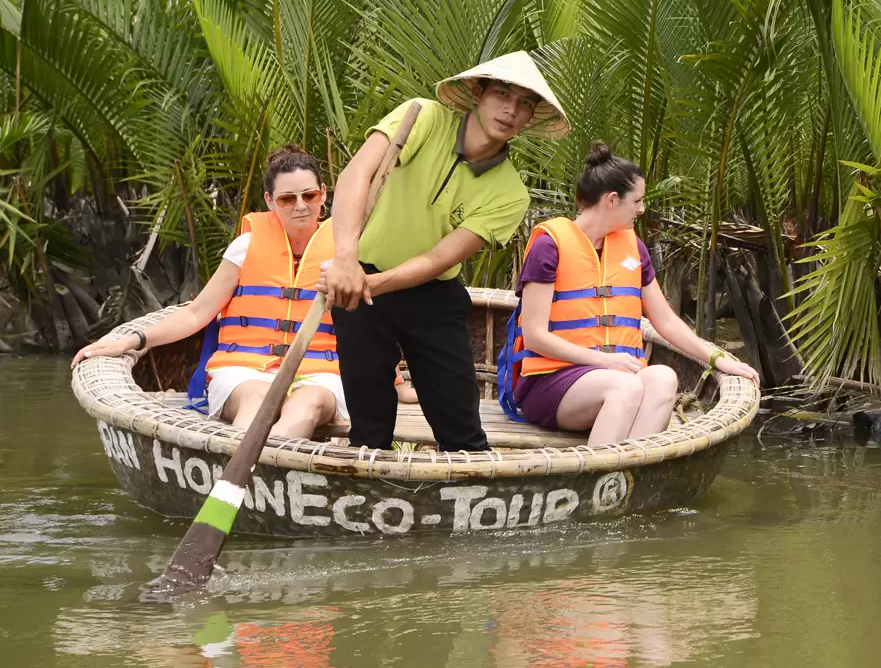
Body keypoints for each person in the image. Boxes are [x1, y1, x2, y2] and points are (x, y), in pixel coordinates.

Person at [322, 51, 568, 452]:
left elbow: (438, 259)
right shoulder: (422, 117)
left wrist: (369, 284)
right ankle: (370, 480)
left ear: (529, 118)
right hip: (359, 275)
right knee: (368, 429)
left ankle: (470, 481)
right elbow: (356, 175)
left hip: (430, 295)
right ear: (478, 93)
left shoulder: (511, 194)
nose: (511, 110)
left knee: (462, 431)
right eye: (502, 94)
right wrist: (346, 261)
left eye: (524, 103)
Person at [73, 146, 347, 440]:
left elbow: (368, 318)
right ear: (270, 201)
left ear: (323, 194)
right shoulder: (245, 247)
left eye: (309, 195)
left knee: (308, 403)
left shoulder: (346, 252)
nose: (300, 206)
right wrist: (133, 341)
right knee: (259, 399)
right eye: (287, 199)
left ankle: (249, 465)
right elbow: (196, 313)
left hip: (320, 371)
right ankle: (246, 464)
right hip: (246, 369)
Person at [498, 144, 759, 444]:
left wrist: (716, 359)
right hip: (551, 383)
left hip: (615, 378)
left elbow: (666, 320)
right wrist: (605, 361)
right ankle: (599, 471)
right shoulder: (549, 246)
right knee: (625, 387)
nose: (642, 209)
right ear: (612, 200)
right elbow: (534, 336)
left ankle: (628, 469)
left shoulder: (633, 247)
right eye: (637, 200)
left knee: (664, 378)